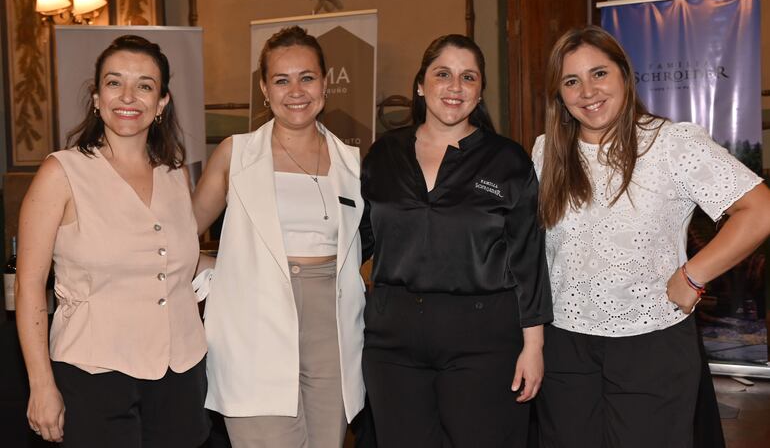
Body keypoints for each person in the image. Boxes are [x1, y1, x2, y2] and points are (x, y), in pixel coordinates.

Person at [532, 25, 770, 448]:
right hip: (564, 345)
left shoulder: (671, 144)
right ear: (560, 95)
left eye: (599, 73)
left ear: (624, 75)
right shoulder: (545, 152)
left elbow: (760, 210)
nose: (588, 91)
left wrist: (694, 275)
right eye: (572, 81)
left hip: (650, 345)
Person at [15, 35, 209, 447]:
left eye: (145, 85)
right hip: (93, 374)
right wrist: (41, 385)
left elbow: (178, 265)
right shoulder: (61, 172)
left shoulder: (174, 174)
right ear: (97, 97)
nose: (128, 96)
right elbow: (30, 285)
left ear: (161, 104)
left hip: (180, 373)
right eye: (114, 82)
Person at [360, 34, 552, 447]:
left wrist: (533, 345)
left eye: (468, 77)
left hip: (484, 338)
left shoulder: (507, 160)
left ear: (480, 91)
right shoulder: (383, 155)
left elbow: (529, 260)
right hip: (392, 339)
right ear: (420, 84)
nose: (455, 87)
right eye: (442, 74)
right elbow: (356, 241)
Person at [192, 26, 366, 448]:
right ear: (264, 89)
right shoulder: (236, 154)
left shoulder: (352, 160)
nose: (296, 91)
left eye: (307, 77)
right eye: (281, 79)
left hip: (333, 323)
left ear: (325, 83)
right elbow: (181, 234)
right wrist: (216, 269)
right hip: (256, 320)